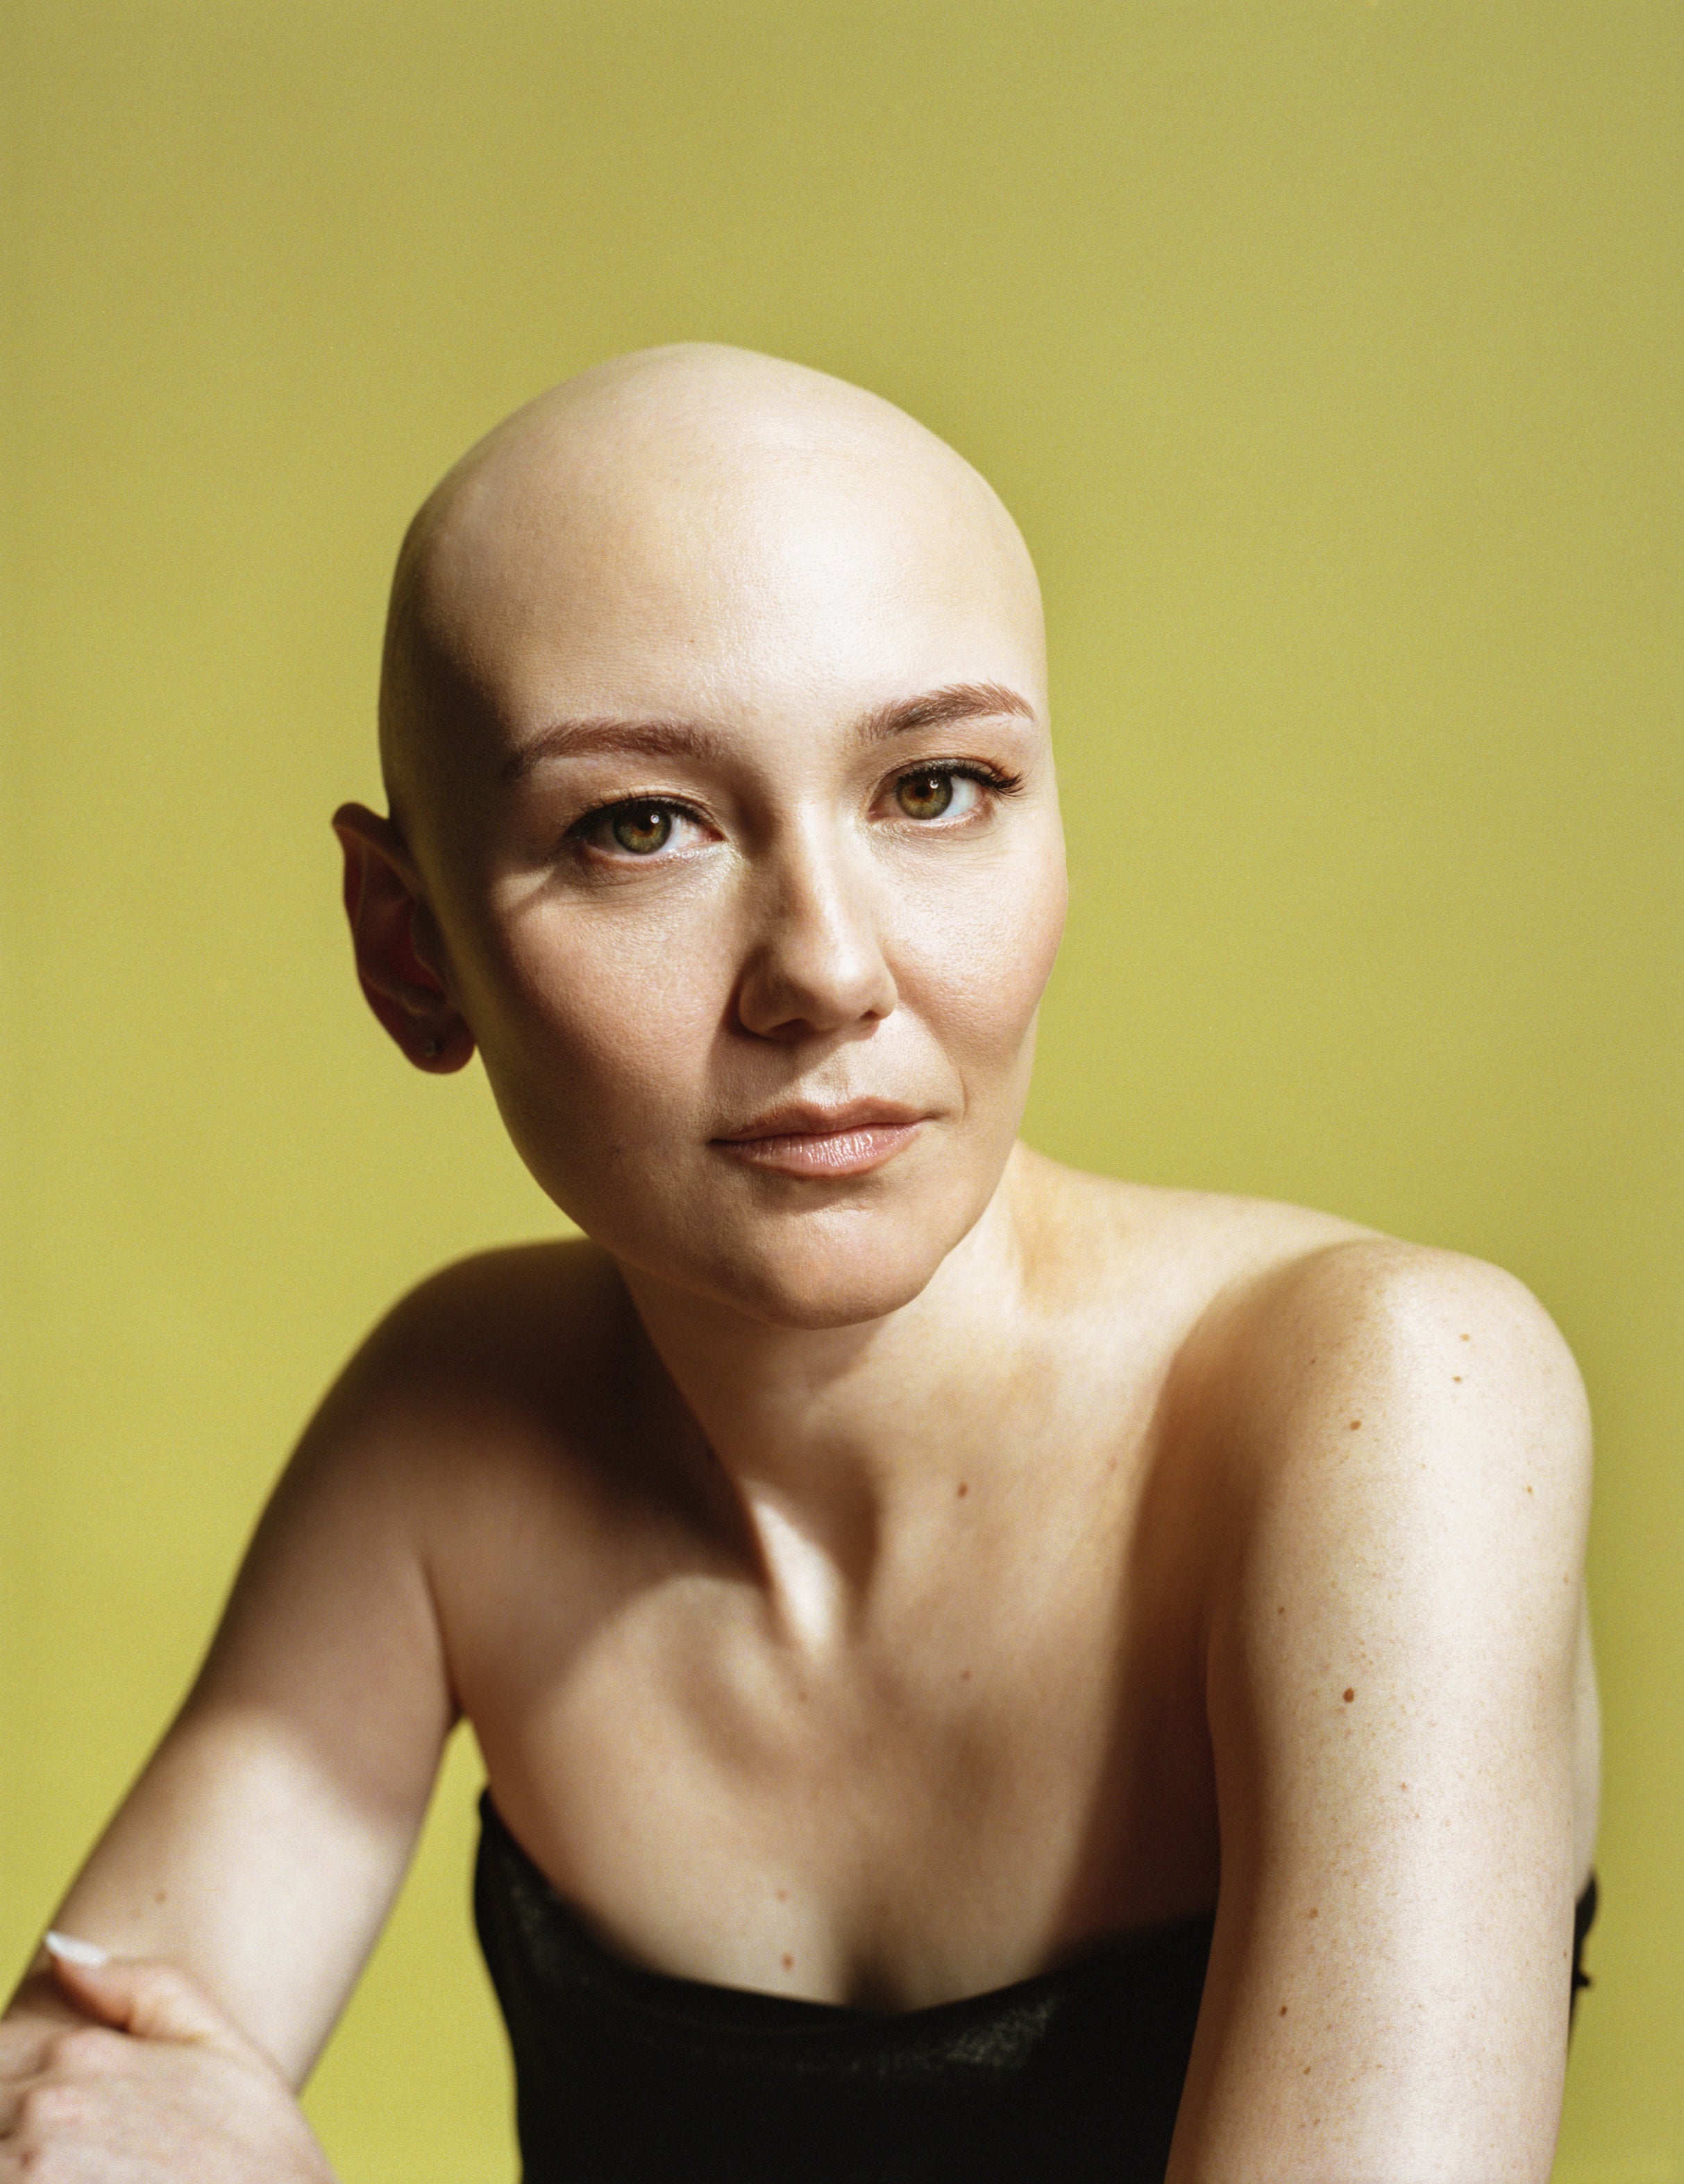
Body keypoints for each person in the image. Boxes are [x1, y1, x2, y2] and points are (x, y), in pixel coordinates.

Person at [1, 344, 1597, 2183]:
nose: (828, 972)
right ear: (410, 948)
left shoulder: (1395, 1401)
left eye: (936, 787)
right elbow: (73, 2116)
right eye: (640, 825)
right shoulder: (456, 1427)